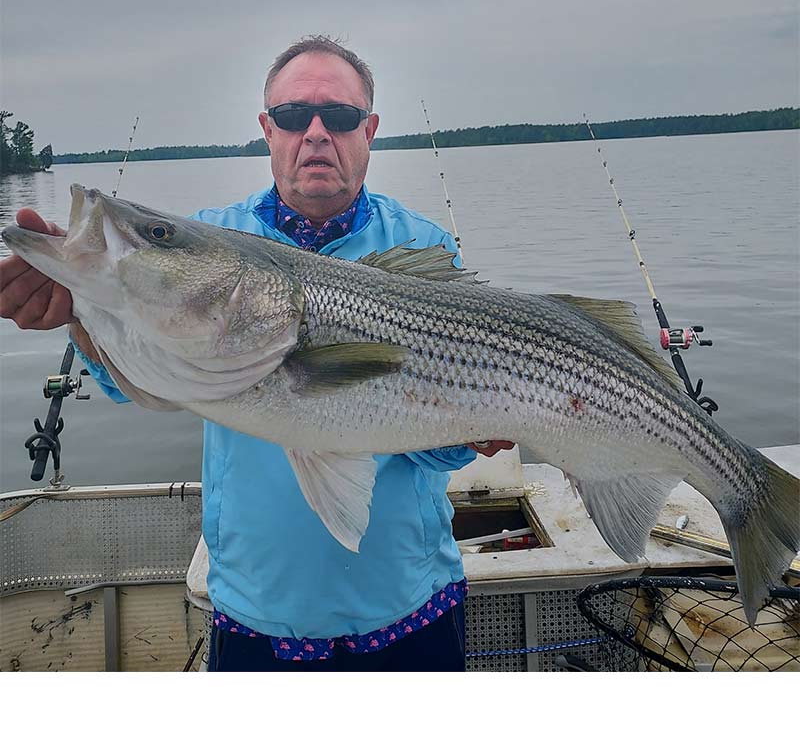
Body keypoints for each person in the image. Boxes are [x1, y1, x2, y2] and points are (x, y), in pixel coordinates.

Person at [0, 35, 514, 671]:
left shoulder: (423, 249)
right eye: (296, 117)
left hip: (410, 603)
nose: (317, 133)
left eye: (341, 117)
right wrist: (82, 314)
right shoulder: (217, 235)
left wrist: (474, 426)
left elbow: (441, 446)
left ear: (370, 130)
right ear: (268, 130)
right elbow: (136, 382)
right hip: (255, 612)